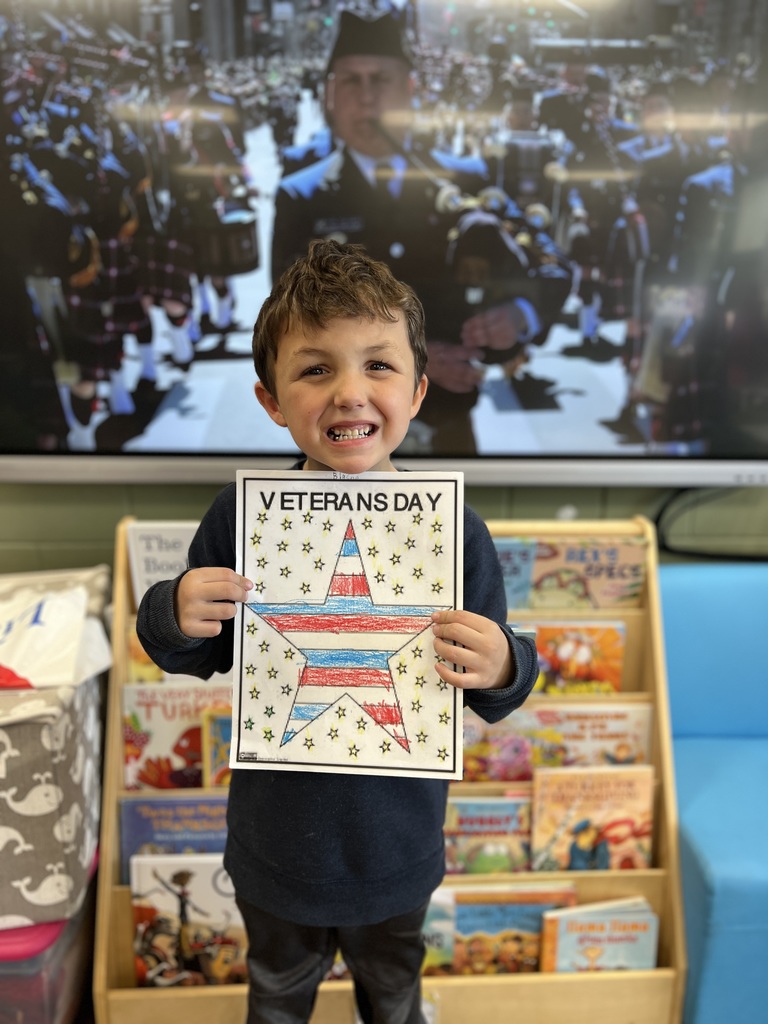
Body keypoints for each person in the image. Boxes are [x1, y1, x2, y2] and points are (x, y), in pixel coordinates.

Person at [136, 238, 538, 1024]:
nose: (351, 393)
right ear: (271, 401)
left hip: (398, 854)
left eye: (378, 366)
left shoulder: (455, 530)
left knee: (392, 993)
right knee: (278, 995)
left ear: (419, 392)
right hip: (274, 851)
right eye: (316, 369)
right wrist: (173, 608)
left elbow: (501, 684)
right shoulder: (239, 518)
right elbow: (193, 651)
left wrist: (501, 665)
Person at [271, 8, 571, 455]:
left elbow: (551, 267)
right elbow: (290, 328)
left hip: (449, 429)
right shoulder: (302, 196)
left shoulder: (463, 180)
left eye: (382, 80)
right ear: (329, 97)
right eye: (351, 81)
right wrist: (419, 363)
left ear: (411, 91)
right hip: (342, 442)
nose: (367, 97)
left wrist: (519, 314)